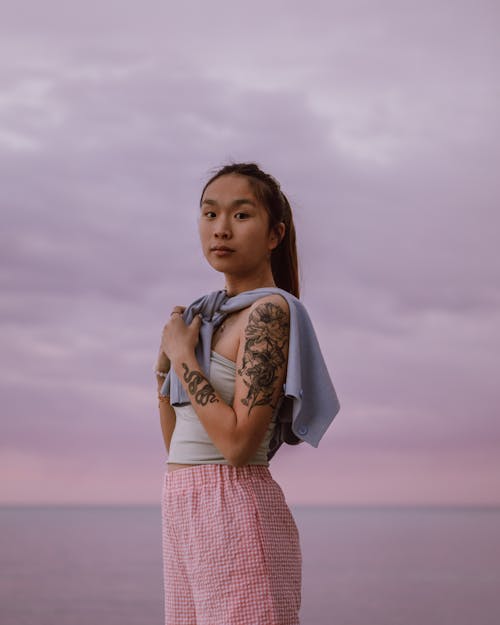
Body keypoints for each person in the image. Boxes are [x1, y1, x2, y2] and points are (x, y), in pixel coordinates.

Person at [154, 162, 340, 625]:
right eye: (209, 214)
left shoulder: (269, 313)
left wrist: (184, 359)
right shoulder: (206, 317)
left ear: (274, 234)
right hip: (182, 500)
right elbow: (177, 446)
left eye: (241, 215)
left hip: (235, 505)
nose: (221, 229)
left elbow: (236, 448)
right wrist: (163, 374)